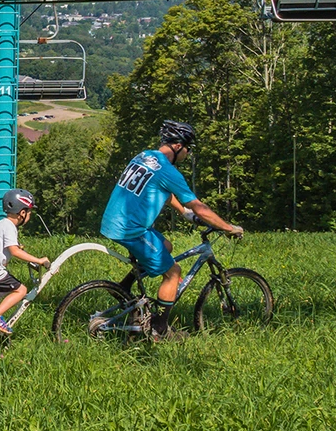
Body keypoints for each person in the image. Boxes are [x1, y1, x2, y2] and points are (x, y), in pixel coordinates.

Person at [100, 120, 242, 337]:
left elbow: (161, 191)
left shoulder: (145, 156)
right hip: (131, 229)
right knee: (174, 273)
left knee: (166, 246)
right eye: (188, 149)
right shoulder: (169, 171)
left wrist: (184, 213)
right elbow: (200, 208)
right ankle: (160, 329)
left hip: (113, 220)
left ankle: (124, 288)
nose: (188, 154)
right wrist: (228, 228)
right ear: (177, 146)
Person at [0, 188, 49, 335]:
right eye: (29, 212)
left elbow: (1, 245)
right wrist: (39, 260)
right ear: (22, 213)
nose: (30, 215)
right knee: (21, 290)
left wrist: (17, 247)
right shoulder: (9, 226)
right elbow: (14, 251)